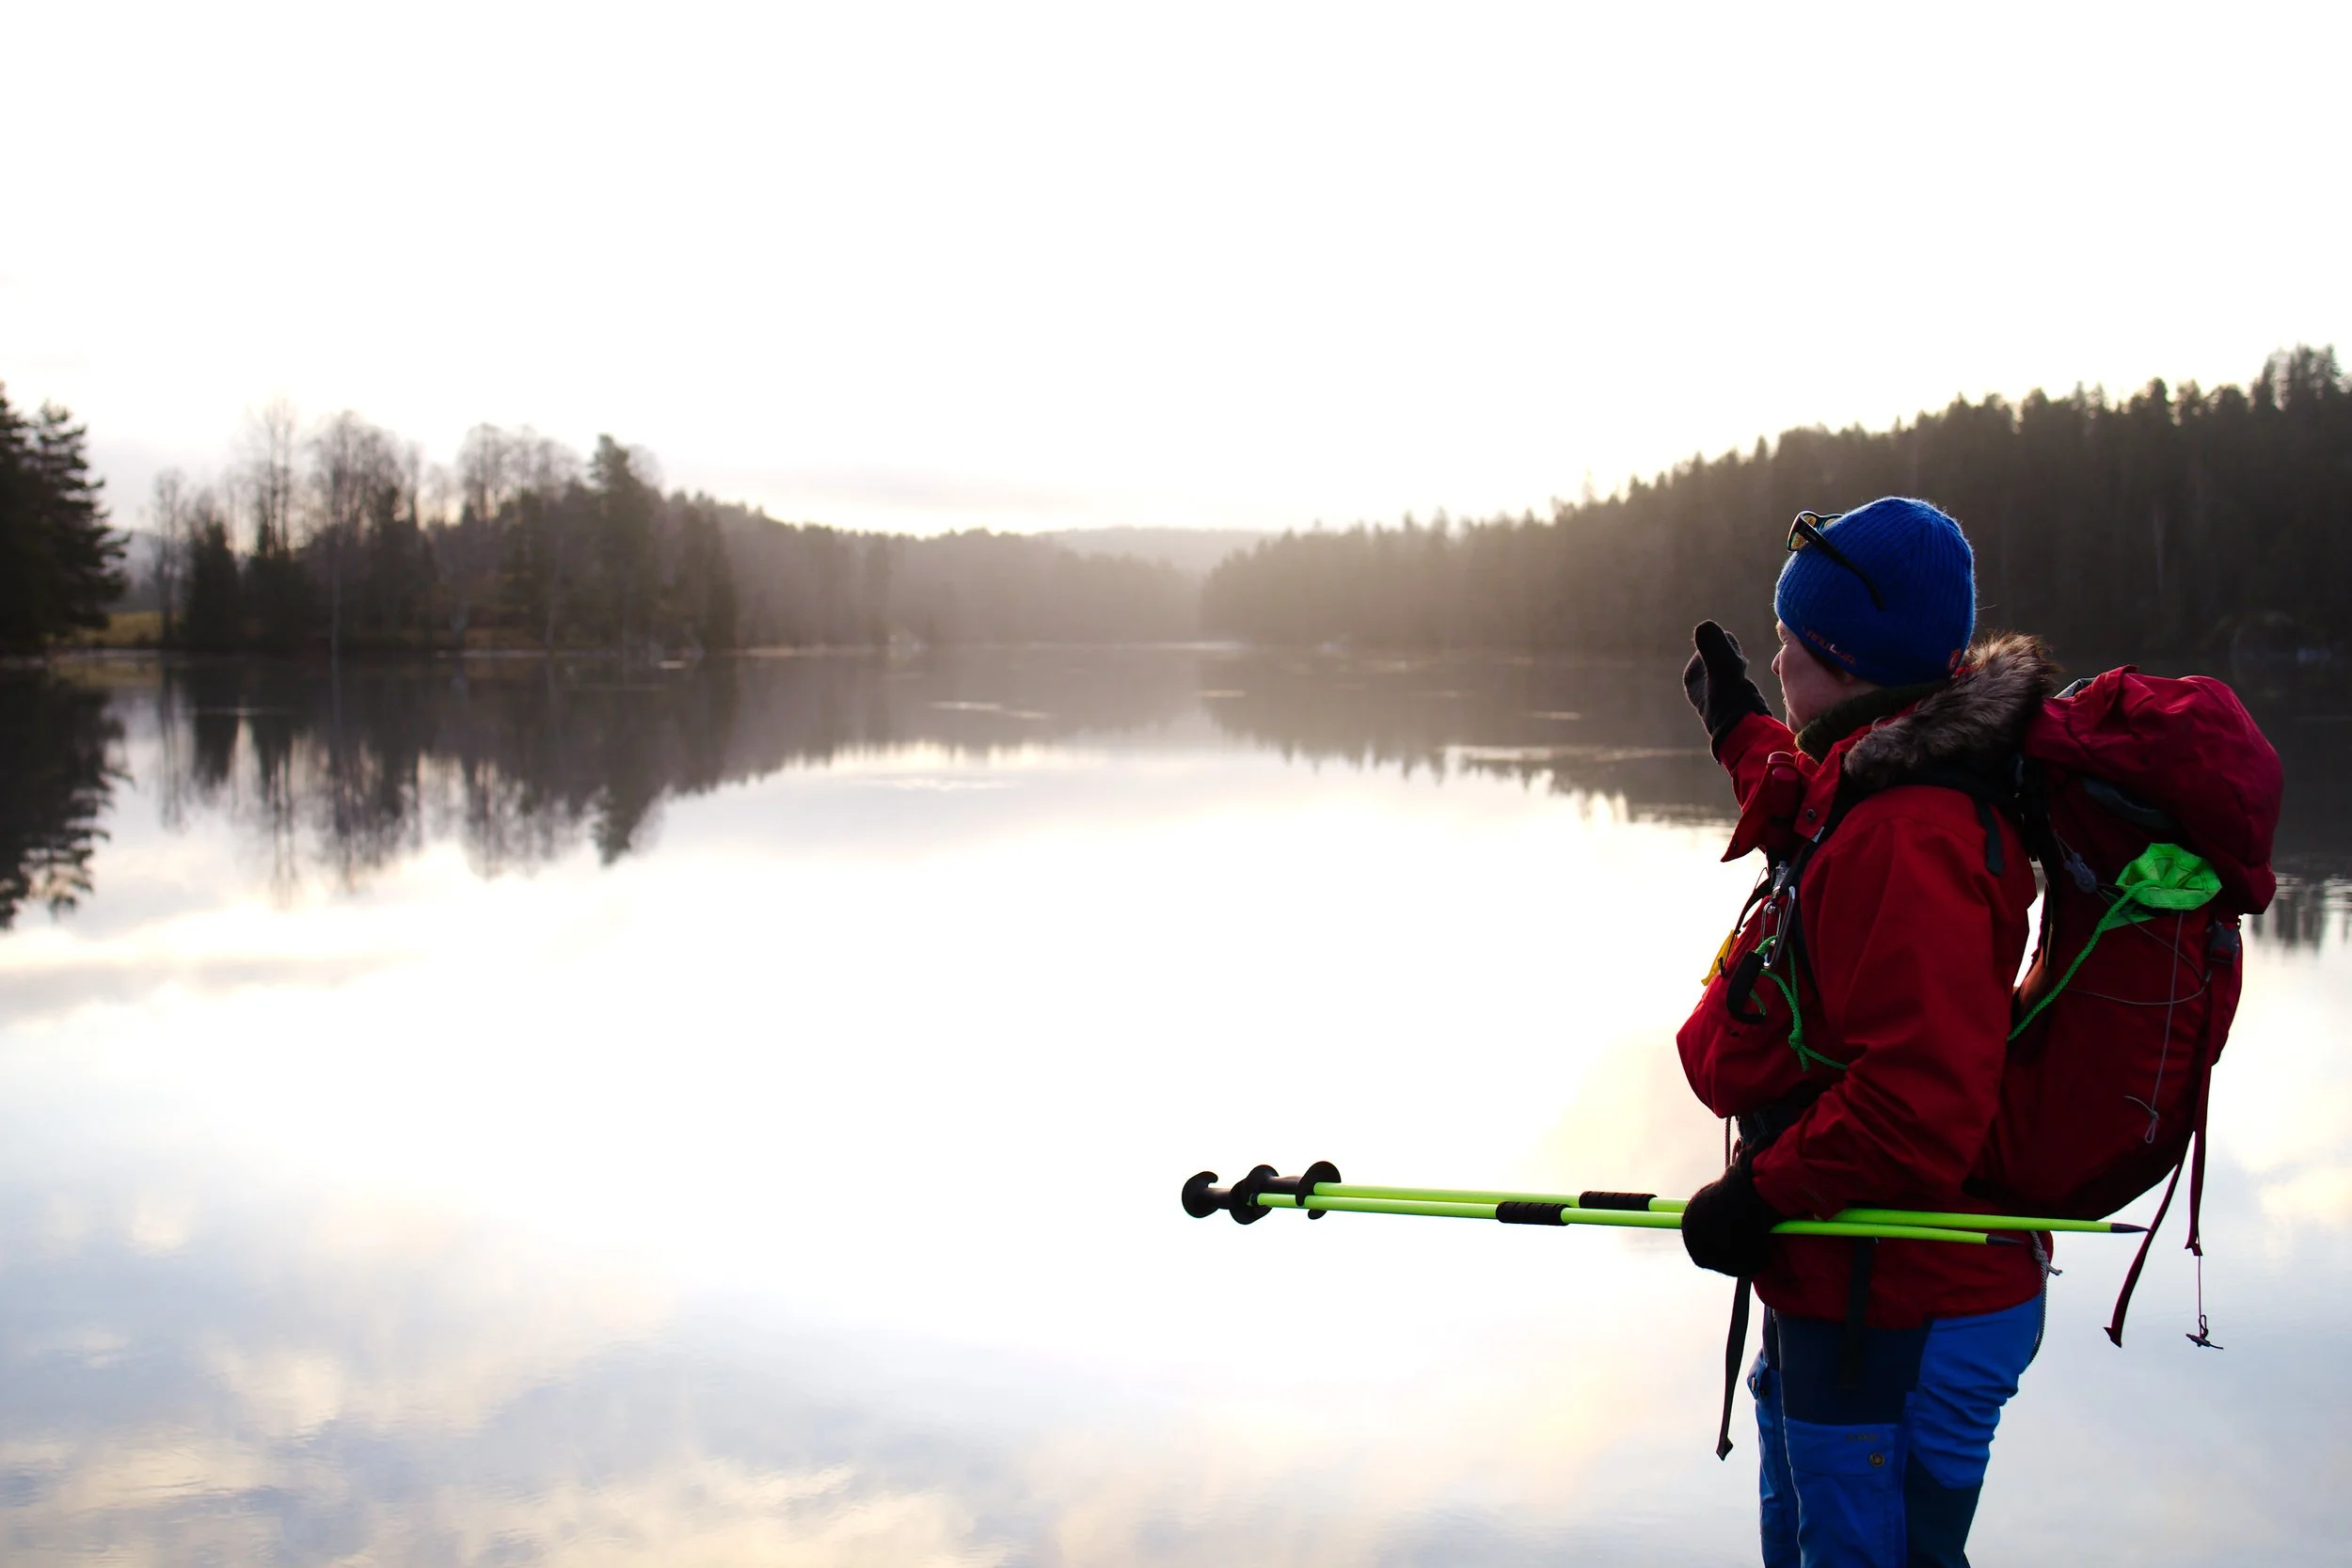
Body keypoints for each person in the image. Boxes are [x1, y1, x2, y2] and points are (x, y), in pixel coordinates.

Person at [1675, 497, 2059, 1568]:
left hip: (1900, 1304)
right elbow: (1812, 808)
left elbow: (1918, 1105)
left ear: (1843, 659)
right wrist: (1741, 730)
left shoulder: (1912, 838)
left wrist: (1758, 1195)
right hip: (1841, 1285)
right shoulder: (1882, 777)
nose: (1780, 654)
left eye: (1790, 640)